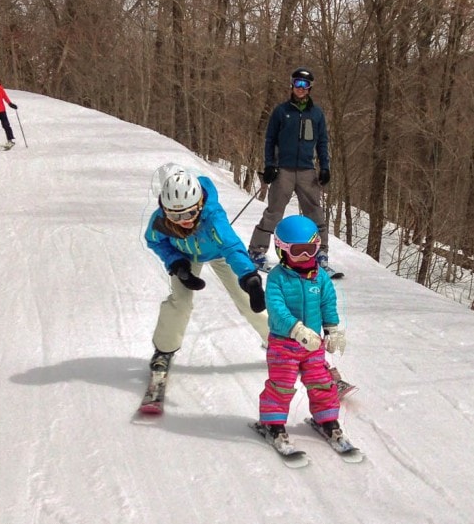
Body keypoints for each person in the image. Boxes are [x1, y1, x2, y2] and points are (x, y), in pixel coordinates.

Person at [144, 165, 269, 373]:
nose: (184, 221)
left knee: (248, 299)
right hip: (184, 256)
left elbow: (231, 247)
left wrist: (249, 277)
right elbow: (155, 241)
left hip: (218, 253)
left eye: (190, 213)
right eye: (175, 217)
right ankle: (164, 351)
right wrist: (176, 263)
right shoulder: (160, 220)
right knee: (180, 302)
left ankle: (278, 342)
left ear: (200, 204)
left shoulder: (213, 217)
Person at [257, 214, 348, 449]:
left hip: (313, 345)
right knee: (281, 384)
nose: (306, 256)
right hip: (284, 344)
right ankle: (272, 423)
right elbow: (276, 308)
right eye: (299, 251)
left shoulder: (321, 277)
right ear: (282, 250)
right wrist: (296, 330)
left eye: (311, 249)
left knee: (322, 382)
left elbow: (328, 303)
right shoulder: (277, 278)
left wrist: (332, 329)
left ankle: (327, 419)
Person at [248, 67, 331, 272]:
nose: (300, 88)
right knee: (274, 212)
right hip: (283, 170)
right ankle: (257, 251)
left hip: (307, 170)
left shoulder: (316, 114)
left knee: (314, 212)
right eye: (297, 83)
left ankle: (321, 253)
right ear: (291, 85)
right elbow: (270, 140)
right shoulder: (281, 111)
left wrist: (325, 167)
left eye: (304, 84)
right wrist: (269, 165)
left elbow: (322, 142)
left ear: (310, 87)